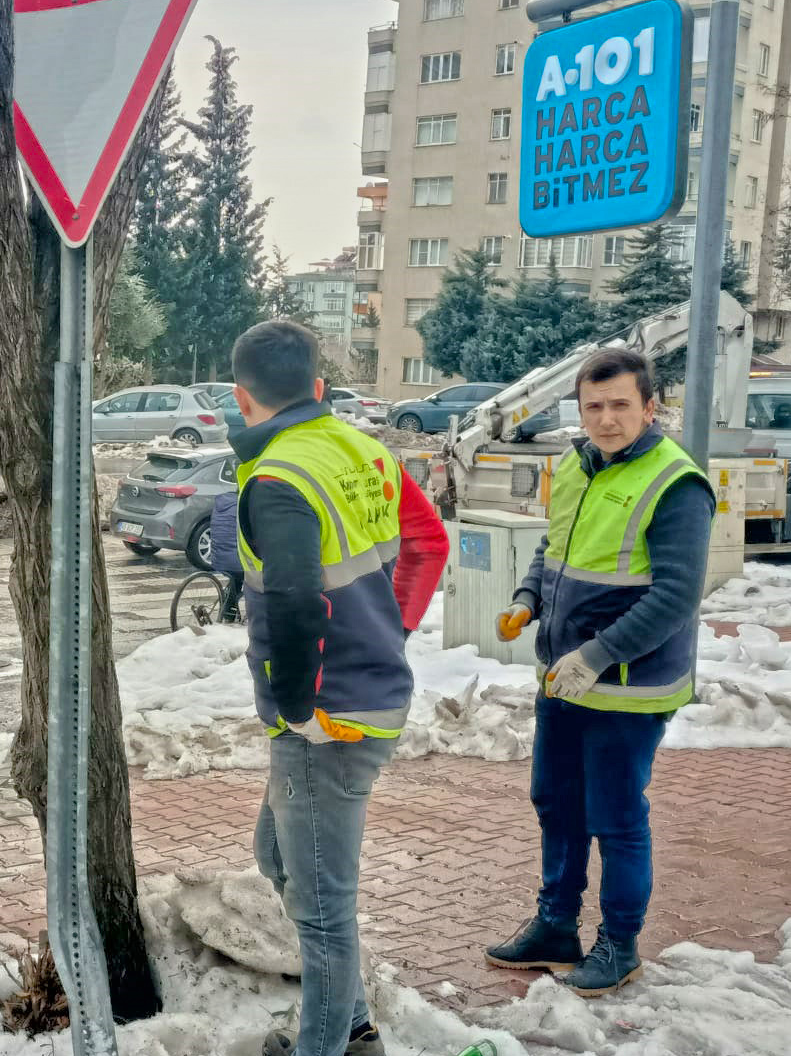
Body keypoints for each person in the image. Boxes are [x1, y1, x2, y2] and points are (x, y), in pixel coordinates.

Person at [229, 320, 449, 1056]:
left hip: (326, 719)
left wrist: (297, 709)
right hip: (356, 695)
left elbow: (293, 601)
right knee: (278, 856)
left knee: (322, 914)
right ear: (317, 386)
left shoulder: (279, 476)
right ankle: (351, 1027)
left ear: (241, 396)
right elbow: (422, 542)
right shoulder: (365, 449)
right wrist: (390, 633)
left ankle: (332, 1043)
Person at [488, 347, 715, 997]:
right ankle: (556, 924)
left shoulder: (677, 483)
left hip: (630, 686)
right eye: (595, 406)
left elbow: (675, 597)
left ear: (650, 407)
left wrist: (595, 655)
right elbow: (553, 548)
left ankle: (620, 942)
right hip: (564, 679)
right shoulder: (575, 464)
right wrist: (526, 599)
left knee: (615, 816)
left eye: (621, 405)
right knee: (556, 803)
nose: (607, 419)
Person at [208, 485, 243, 622]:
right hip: (237, 561)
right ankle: (229, 616)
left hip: (218, 558)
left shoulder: (223, 503)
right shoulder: (246, 505)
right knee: (256, 578)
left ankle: (229, 613)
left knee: (236, 578)